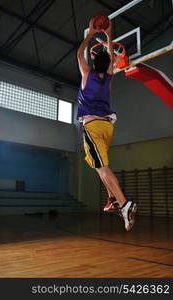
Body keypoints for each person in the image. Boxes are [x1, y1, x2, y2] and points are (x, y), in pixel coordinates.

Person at [77, 18, 137, 231]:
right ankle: (111, 198)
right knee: (96, 164)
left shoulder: (87, 75)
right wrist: (109, 35)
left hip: (92, 126)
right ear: (108, 64)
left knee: (101, 166)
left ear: (94, 63)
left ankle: (124, 204)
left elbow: (78, 54)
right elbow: (110, 57)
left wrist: (91, 34)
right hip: (107, 128)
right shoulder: (109, 78)